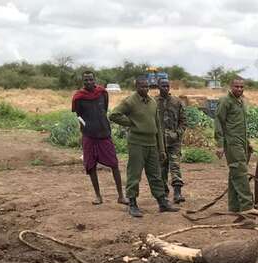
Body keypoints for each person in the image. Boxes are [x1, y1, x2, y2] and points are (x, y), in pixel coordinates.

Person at [109, 76, 178, 217]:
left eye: (147, 86)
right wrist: (131, 123)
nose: (145, 89)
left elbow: (158, 126)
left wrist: (162, 149)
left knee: (155, 175)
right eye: (142, 86)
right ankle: (132, 203)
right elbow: (114, 115)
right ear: (136, 87)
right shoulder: (130, 101)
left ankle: (162, 202)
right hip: (137, 143)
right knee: (134, 174)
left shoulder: (152, 103)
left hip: (152, 144)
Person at [71, 71, 125, 205]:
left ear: (95, 80)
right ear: (83, 82)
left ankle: (121, 196)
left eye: (91, 80)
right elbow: (79, 116)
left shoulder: (102, 93)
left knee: (114, 164)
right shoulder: (78, 97)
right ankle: (98, 196)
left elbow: (105, 110)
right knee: (91, 166)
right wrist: (85, 128)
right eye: (86, 81)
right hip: (89, 136)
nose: (89, 82)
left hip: (104, 134)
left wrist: (100, 123)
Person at [214, 78, 258, 214]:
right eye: (237, 86)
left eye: (241, 87)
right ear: (231, 86)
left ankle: (234, 207)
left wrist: (248, 141)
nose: (239, 89)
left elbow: (241, 124)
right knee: (240, 172)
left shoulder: (242, 101)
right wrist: (220, 145)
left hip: (241, 142)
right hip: (231, 143)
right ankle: (247, 206)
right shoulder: (225, 101)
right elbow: (218, 122)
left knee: (235, 172)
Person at [157, 79, 186, 203]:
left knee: (175, 166)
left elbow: (183, 121)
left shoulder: (177, 102)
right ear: (158, 87)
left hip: (174, 141)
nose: (166, 88)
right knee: (161, 169)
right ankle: (163, 194)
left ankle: (177, 194)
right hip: (159, 142)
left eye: (167, 86)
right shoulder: (153, 102)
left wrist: (177, 133)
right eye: (163, 86)